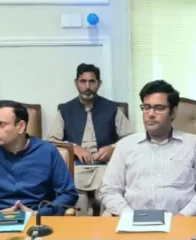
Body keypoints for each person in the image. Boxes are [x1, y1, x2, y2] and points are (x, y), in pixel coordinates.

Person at [97, 79, 196, 216]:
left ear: (173, 112)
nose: (151, 114)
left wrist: (183, 215)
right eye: (146, 107)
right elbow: (109, 190)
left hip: (180, 221)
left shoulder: (193, 144)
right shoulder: (125, 145)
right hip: (133, 222)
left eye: (159, 108)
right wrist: (130, 216)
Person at [0, 100, 77, 215]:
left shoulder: (48, 151)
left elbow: (68, 194)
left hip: (38, 217)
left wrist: (39, 213)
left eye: (1, 124)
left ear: (21, 126)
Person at [46, 64, 133, 213]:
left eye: (92, 81)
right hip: (76, 167)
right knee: (78, 199)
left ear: (99, 84)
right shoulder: (66, 110)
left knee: (108, 197)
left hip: (106, 167)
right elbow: (51, 141)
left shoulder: (112, 108)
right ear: (76, 83)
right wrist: (73, 147)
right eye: (83, 81)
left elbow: (130, 138)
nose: (87, 86)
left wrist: (113, 148)